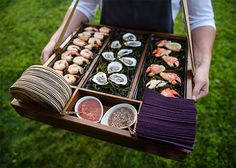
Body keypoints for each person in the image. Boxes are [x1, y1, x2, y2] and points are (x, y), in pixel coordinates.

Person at [40, 0, 216, 101]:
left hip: (155, 50)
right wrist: (57, 38)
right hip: (104, 45)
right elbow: (85, 3)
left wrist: (203, 63)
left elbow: (200, 18)